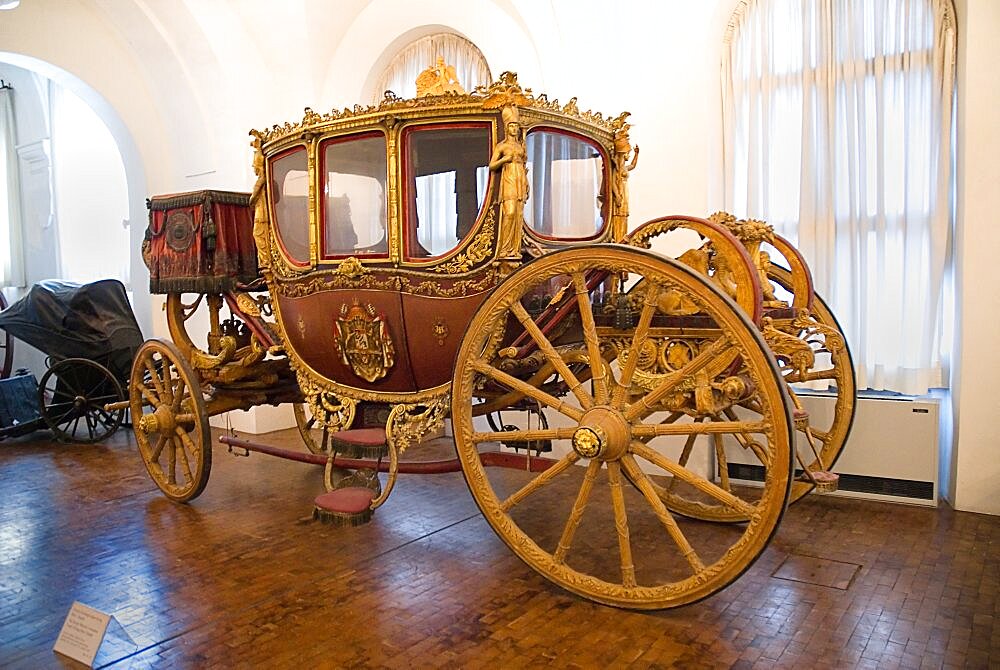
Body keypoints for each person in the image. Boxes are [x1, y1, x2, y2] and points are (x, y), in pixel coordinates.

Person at [489, 105, 529, 258]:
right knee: (510, 212)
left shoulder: (520, 145)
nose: (514, 129)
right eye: (511, 126)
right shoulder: (502, 146)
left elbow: (524, 164)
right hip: (509, 179)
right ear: (507, 128)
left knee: (518, 214)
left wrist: (526, 183)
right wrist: (504, 159)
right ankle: (504, 249)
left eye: (516, 126)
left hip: (520, 178)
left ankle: (514, 248)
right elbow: (492, 165)